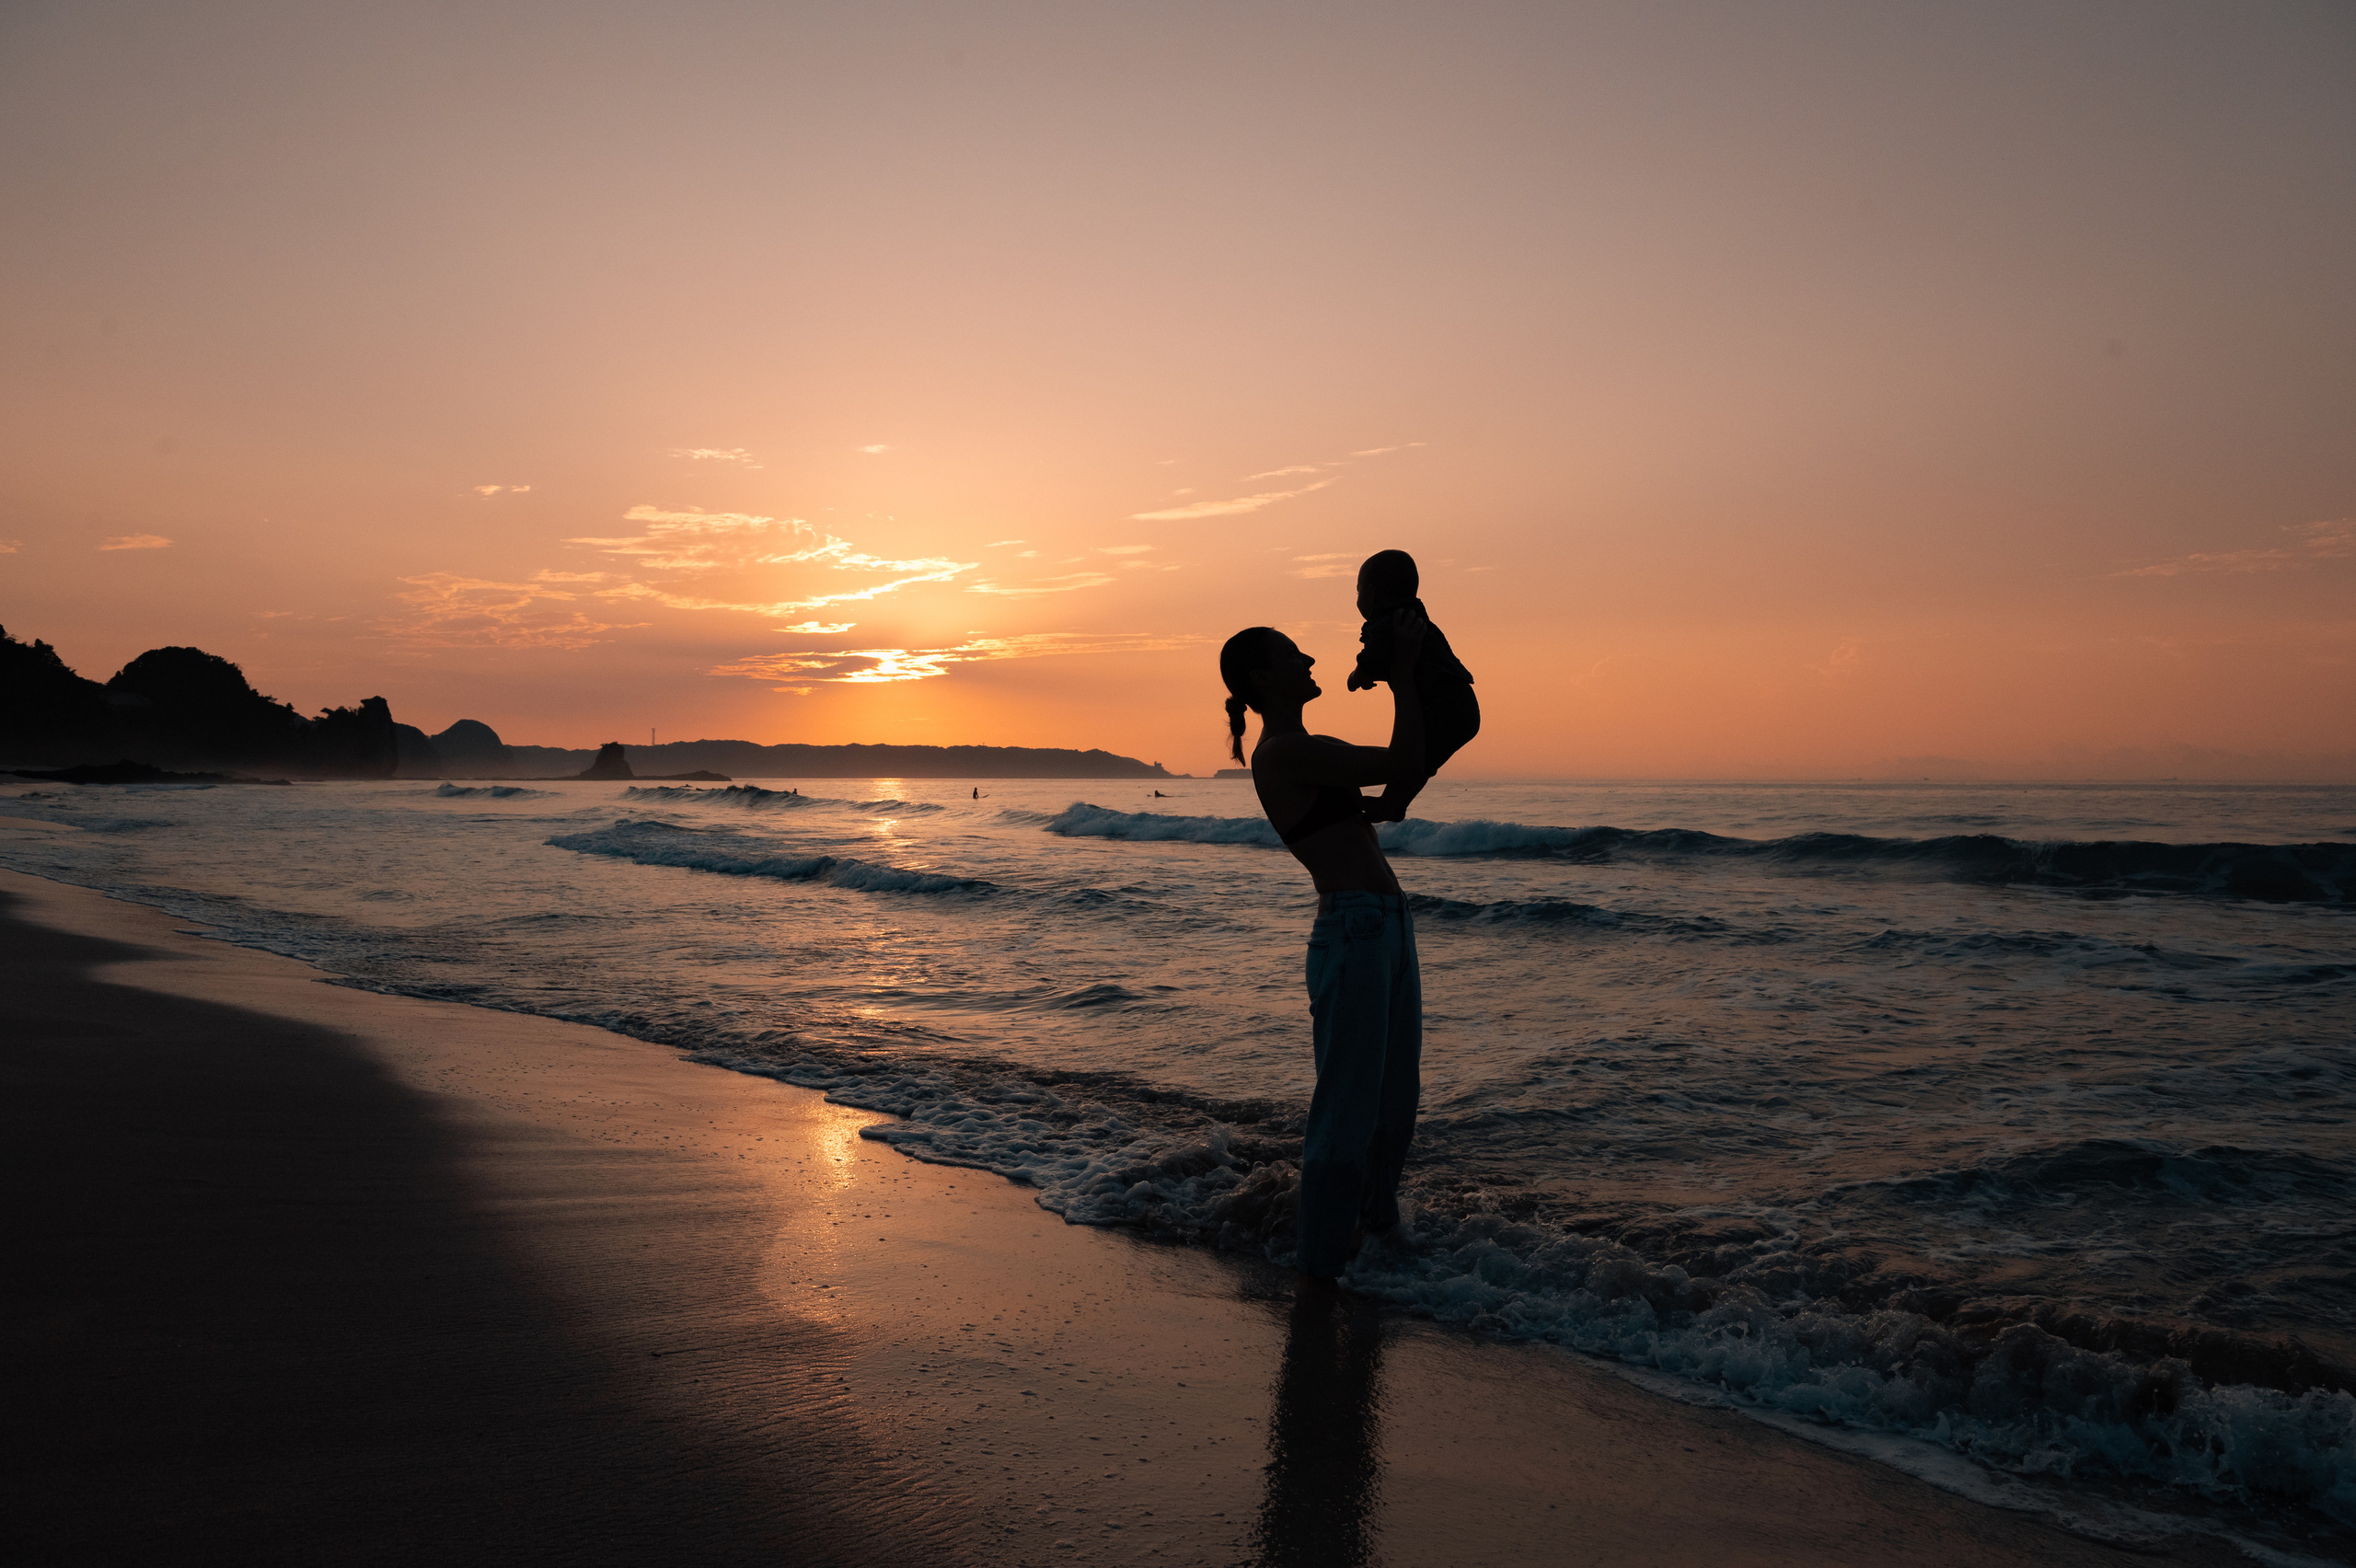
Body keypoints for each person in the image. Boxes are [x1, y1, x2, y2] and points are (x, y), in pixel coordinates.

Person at [1219, 612, 1427, 1287]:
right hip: (1355, 928)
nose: (1309, 658)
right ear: (1261, 678)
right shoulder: (1283, 753)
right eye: (1291, 654)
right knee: (1346, 1110)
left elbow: (1392, 785)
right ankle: (1318, 1275)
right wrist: (1403, 672)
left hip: (1386, 925)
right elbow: (1403, 758)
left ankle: (1377, 1240)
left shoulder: (1312, 751)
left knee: (1395, 1103)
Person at [1344, 549, 1478, 822]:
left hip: (1441, 707)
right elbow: (1415, 664)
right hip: (1463, 705)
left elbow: (1371, 659)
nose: (1357, 599)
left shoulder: (1385, 623)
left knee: (1415, 762)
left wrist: (1357, 677)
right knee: (1422, 762)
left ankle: (1392, 803)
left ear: (1370, 592)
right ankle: (1394, 804)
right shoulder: (1416, 617)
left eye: (1357, 592)